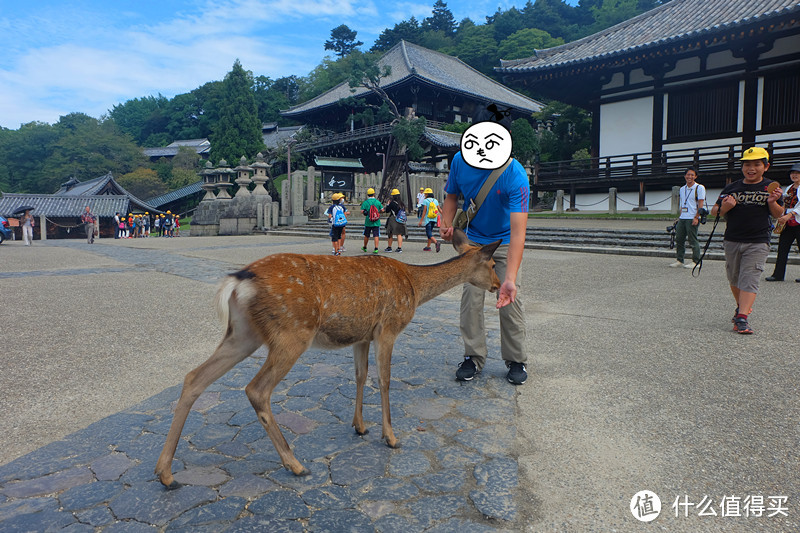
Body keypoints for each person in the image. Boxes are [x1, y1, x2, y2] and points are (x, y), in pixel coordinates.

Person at [439, 118, 529, 385]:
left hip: (502, 241)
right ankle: (473, 357)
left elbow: (518, 233)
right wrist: (446, 223)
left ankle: (516, 360)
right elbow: (451, 197)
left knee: (510, 301)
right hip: (474, 243)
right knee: (471, 299)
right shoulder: (459, 161)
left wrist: (509, 278)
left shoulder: (516, 175)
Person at [710, 146, 784, 335]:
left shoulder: (771, 188)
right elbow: (714, 212)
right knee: (734, 278)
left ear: (766, 167)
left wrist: (771, 202)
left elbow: (778, 214)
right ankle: (741, 307)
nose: (751, 168)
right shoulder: (732, 187)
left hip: (758, 240)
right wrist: (725, 207)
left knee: (750, 278)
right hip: (733, 239)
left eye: (756, 164)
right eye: (747, 165)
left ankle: (742, 318)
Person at [766, 162, 800, 283]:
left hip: (797, 220)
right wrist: (781, 215)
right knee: (782, 248)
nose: (794, 175)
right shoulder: (789, 188)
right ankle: (778, 274)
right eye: (792, 173)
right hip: (787, 222)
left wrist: (790, 215)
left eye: (797, 173)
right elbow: (784, 203)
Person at [670, 167, 706, 269]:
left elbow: (700, 203)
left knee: (692, 239)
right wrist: (679, 217)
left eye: (692, 175)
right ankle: (679, 260)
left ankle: (696, 261)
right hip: (683, 217)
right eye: (688, 174)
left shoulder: (699, 188)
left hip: (692, 217)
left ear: (695, 176)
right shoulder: (682, 189)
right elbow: (683, 204)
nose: (689, 177)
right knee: (679, 238)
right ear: (685, 176)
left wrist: (697, 217)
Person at [383, 188, 408, 253]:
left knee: (390, 233)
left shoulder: (392, 203)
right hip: (401, 220)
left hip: (393, 220)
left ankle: (389, 247)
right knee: (399, 234)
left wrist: (388, 204)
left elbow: (387, 210)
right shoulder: (402, 203)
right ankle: (399, 248)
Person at [417, 188, 441, 252]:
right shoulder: (435, 200)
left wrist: (421, 221)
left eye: (425, 194)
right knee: (430, 232)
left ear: (427, 194)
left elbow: (424, 212)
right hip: (434, 219)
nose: (424, 195)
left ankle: (436, 243)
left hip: (428, 219)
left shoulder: (426, 201)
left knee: (428, 233)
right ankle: (428, 247)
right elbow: (439, 209)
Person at [360, 187, 382, 254]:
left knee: (366, 235)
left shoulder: (365, 202)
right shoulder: (377, 202)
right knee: (376, 235)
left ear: (367, 195)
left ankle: (365, 247)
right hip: (376, 221)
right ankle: (376, 248)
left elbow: (362, 211)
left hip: (368, 221)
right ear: (374, 194)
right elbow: (382, 209)